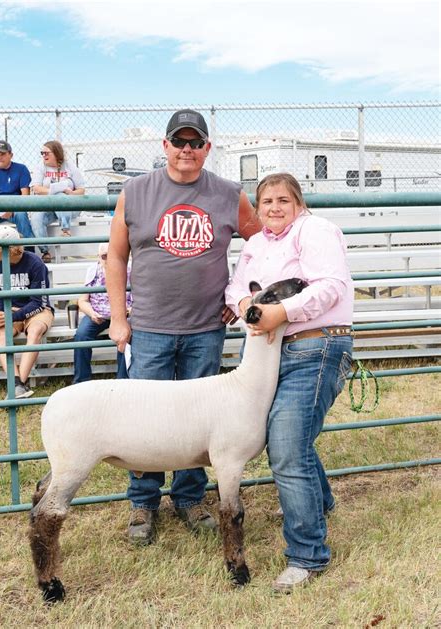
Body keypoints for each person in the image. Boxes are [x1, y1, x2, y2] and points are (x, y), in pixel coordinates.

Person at [107, 108, 262, 544]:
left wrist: (239, 295)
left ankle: (190, 497)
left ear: (207, 149)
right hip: (150, 326)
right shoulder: (135, 192)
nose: (187, 150)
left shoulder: (230, 195)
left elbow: (263, 246)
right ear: (165, 146)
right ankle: (143, 502)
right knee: (145, 418)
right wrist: (119, 318)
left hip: (205, 328)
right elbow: (116, 256)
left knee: (198, 421)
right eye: (180, 142)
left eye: (196, 143)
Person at [225, 172, 354, 593]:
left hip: (313, 345)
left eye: (284, 200)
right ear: (257, 208)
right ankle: (320, 504)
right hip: (269, 350)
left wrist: (280, 314)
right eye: (267, 202)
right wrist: (246, 303)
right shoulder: (256, 245)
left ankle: (307, 556)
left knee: (285, 445)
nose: (275, 208)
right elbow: (235, 290)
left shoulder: (315, 231)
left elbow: (331, 286)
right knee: (288, 437)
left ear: (298, 204)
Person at [0, 225, 54, 399]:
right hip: (12, 310)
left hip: (36, 310)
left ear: (8, 249)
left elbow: (40, 302)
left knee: (36, 330)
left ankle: (16, 387)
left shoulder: (35, 263)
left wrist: (10, 315)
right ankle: (18, 386)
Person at [73, 242, 130, 383]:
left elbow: (138, 299)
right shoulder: (93, 271)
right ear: (99, 257)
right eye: (104, 256)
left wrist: (127, 312)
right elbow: (83, 300)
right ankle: (82, 380)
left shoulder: (128, 271)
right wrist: (92, 313)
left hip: (123, 313)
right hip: (97, 312)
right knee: (81, 336)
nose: (108, 259)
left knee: (126, 335)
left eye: (112, 256)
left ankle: (122, 380)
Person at [30, 140, 85, 263]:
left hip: (69, 207)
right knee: (36, 218)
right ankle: (45, 251)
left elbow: (81, 190)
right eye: (42, 153)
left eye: (46, 153)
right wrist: (52, 191)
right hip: (48, 205)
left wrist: (71, 193)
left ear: (56, 153)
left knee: (61, 195)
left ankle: (65, 229)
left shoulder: (69, 166)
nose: (43, 156)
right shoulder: (41, 166)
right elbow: (37, 188)